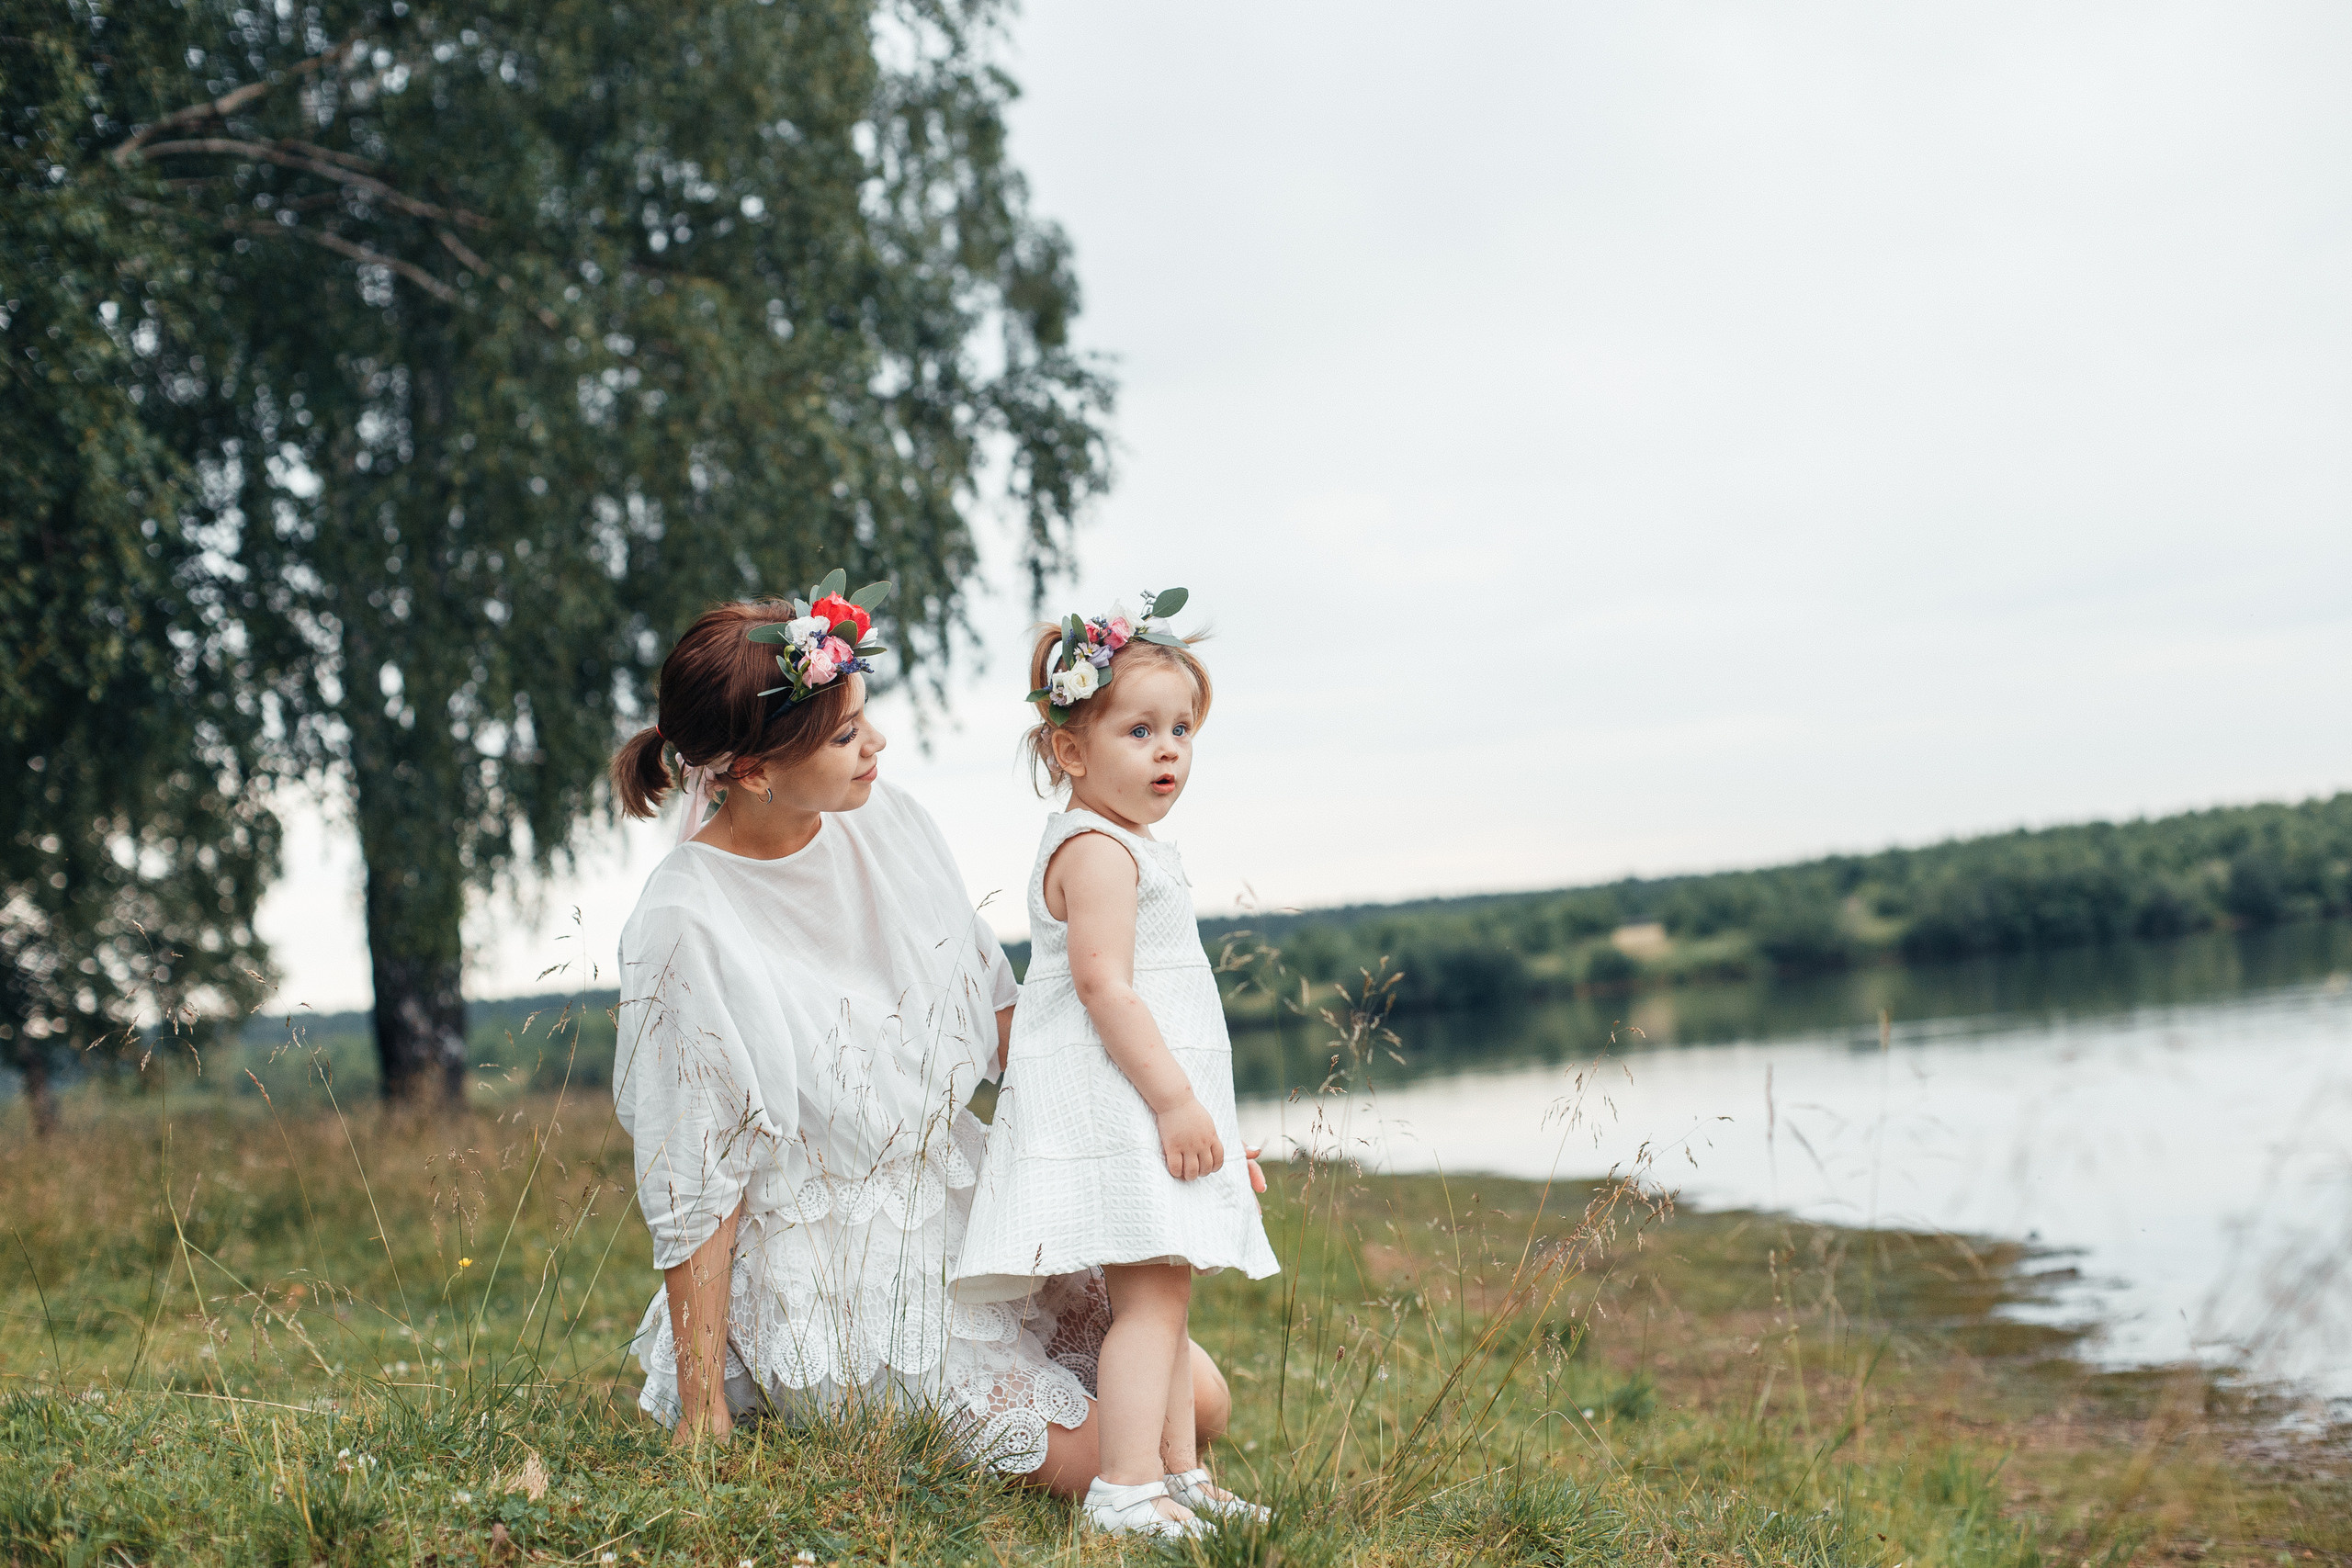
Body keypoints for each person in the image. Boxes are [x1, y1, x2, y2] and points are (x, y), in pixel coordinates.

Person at [605, 574, 1232, 1491]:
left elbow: (1010, 1023)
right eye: (845, 735)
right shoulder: (683, 920)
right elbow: (695, 1178)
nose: (877, 744)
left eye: (865, 717)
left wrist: (1162, 1127)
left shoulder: (884, 818)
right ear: (753, 772)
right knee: (1112, 1454)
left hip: (954, 1206)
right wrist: (703, 1411)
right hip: (834, 1271)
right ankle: (813, 1388)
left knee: (1199, 1398)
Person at [954, 591, 1280, 1537]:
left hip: (1147, 1104)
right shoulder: (1095, 849)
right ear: (1069, 749)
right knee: (1148, 1303)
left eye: (1181, 729)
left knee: (1166, 1294)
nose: (1168, 750)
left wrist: (1201, 1115)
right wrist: (1177, 1104)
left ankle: (1180, 1474)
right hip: (1128, 1106)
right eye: (1139, 730)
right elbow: (1105, 989)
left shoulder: (1132, 844)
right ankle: (1125, 1486)